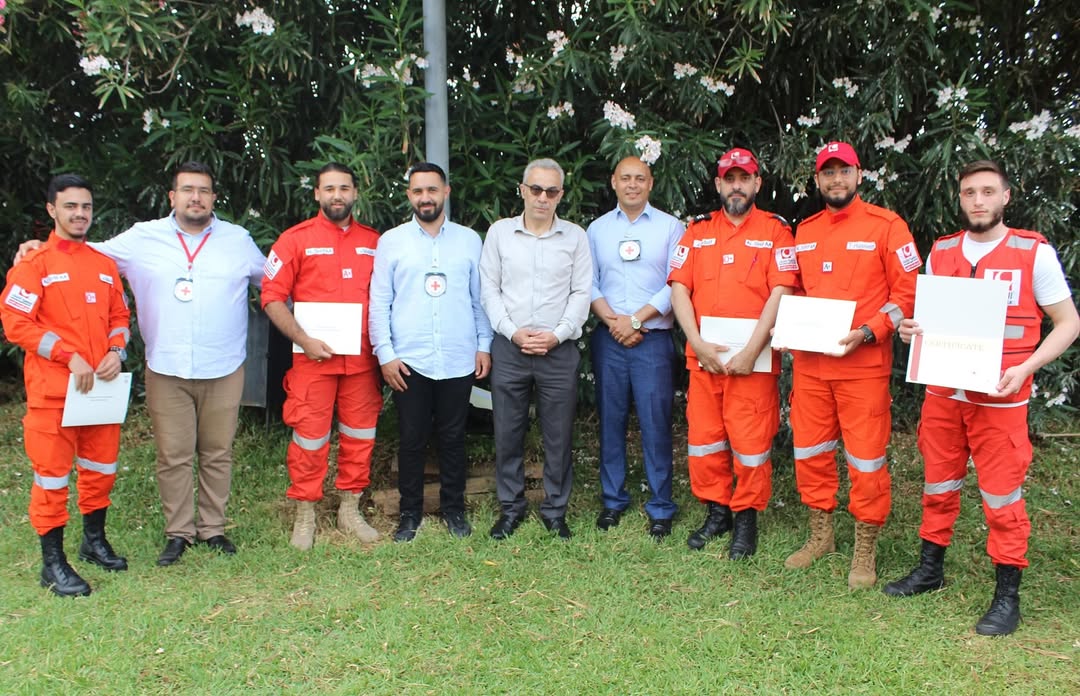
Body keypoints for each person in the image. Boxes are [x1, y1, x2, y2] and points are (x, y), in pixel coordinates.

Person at [14, 161, 267, 567]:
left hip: (223, 366)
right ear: (172, 196)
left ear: (214, 198)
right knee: (173, 455)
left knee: (218, 452)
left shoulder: (238, 240)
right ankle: (179, 533)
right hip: (165, 366)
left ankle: (213, 528)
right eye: (187, 190)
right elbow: (83, 253)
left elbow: (273, 280)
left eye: (203, 190)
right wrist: (37, 247)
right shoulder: (141, 238)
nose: (196, 198)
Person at [883, 160, 1079, 636]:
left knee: (1002, 496)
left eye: (988, 191)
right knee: (937, 484)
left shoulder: (1033, 253)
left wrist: (1026, 367)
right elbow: (926, 320)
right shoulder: (943, 250)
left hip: (1000, 400)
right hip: (944, 395)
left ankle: (1007, 596)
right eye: (969, 192)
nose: (978, 201)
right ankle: (930, 569)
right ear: (960, 198)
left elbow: (1068, 323)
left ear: (1005, 197)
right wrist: (910, 331)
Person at [785, 141, 920, 588]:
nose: (836, 179)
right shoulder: (804, 231)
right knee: (810, 452)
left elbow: (907, 295)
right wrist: (789, 326)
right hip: (811, 368)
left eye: (844, 171)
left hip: (863, 367)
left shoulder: (887, 226)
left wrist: (868, 331)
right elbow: (795, 291)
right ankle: (821, 535)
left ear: (859, 175)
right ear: (817, 180)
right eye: (828, 172)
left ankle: (865, 546)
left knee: (866, 460)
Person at [1, 174, 130, 596]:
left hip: (100, 390)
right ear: (52, 210)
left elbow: (120, 317)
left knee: (101, 468)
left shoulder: (103, 265)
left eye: (86, 207)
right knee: (52, 478)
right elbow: (15, 322)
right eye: (71, 206)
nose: (79, 214)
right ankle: (52, 563)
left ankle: (94, 542)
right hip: (53, 394)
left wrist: (116, 351)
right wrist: (66, 355)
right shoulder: (33, 264)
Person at [669, 148, 799, 557]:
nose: (736, 186)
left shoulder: (776, 231)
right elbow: (679, 288)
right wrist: (696, 343)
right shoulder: (698, 230)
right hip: (704, 359)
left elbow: (782, 290)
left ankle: (746, 518)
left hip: (753, 363)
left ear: (757, 183)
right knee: (705, 440)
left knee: (750, 442)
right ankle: (717, 511)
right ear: (718, 184)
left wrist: (752, 350)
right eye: (729, 179)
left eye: (744, 178)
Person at [262, 162, 383, 550]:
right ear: (317, 194)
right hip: (312, 361)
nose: (337, 195)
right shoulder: (294, 240)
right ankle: (305, 512)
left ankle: (350, 508)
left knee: (360, 436)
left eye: (344, 188)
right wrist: (303, 338)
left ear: (355, 193)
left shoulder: (375, 242)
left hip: (362, 362)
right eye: (329, 188)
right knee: (309, 439)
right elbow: (271, 297)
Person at [369, 162, 493, 542]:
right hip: (409, 360)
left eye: (432, 190)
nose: (426, 197)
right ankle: (410, 514)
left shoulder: (469, 240)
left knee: (454, 437)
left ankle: (454, 510)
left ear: (446, 192)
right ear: (410, 195)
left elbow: (479, 300)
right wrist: (385, 354)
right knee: (412, 438)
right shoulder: (391, 241)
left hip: (457, 357)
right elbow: (379, 302)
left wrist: (483, 345)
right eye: (418, 191)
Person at [480, 158, 592, 540]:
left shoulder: (575, 237)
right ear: (522, 190)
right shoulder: (499, 233)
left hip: (558, 350)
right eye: (536, 189)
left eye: (551, 191)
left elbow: (582, 292)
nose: (543, 197)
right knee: (507, 432)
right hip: (510, 347)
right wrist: (512, 332)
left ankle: (555, 511)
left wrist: (558, 335)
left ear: (560, 195)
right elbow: (489, 289)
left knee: (558, 436)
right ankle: (510, 509)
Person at [587, 157, 683, 539]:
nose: (632, 184)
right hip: (609, 338)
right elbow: (587, 282)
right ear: (613, 182)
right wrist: (615, 322)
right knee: (610, 420)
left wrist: (637, 320)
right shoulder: (596, 229)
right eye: (625, 178)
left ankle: (660, 506)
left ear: (650, 183)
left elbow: (676, 283)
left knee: (655, 423)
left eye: (639, 178)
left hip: (653, 341)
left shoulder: (671, 227)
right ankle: (613, 501)